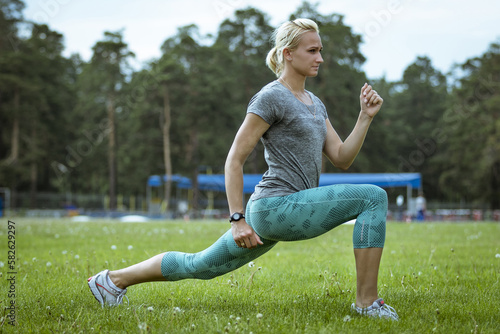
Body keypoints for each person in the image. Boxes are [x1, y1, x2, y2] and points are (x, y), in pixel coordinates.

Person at [88, 18, 398, 321]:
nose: (320, 58)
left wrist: (365, 117)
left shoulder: (315, 103)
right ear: (288, 53)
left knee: (201, 266)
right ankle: (367, 304)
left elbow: (342, 158)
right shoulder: (271, 96)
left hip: (287, 208)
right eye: (312, 51)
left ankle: (111, 281)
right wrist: (237, 218)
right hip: (274, 207)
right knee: (373, 197)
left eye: (320, 50)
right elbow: (234, 158)